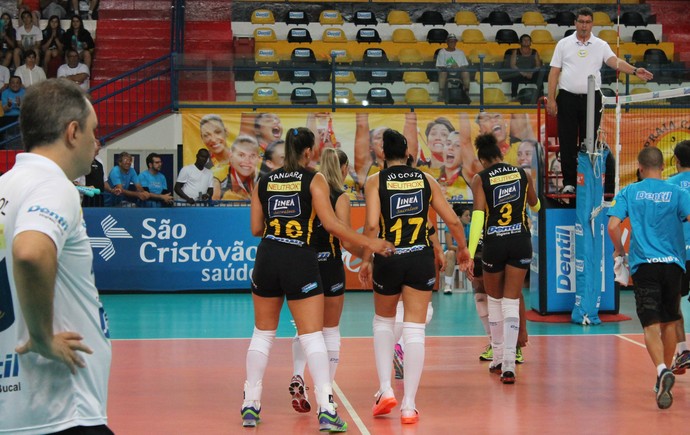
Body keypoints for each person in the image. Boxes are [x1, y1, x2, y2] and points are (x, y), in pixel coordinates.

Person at [242, 127, 394, 431]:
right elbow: (332, 226)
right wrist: (371, 244)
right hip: (299, 257)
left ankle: (250, 403)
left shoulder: (264, 181)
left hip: (268, 255)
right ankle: (326, 408)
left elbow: (256, 228)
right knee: (313, 336)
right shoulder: (315, 179)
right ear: (310, 152)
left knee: (262, 334)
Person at [0, 78, 112, 434]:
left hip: (18, 409)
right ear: (72, 131)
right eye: (94, 132)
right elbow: (31, 252)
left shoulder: (6, 185)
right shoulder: (53, 185)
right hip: (63, 408)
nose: (97, 143)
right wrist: (43, 336)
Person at [358, 128, 471, 424]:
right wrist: (463, 250)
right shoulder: (426, 179)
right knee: (415, 329)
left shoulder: (374, 181)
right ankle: (409, 405)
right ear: (409, 154)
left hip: (389, 256)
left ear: (381, 153)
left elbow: (371, 226)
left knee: (383, 321)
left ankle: (385, 390)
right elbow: (452, 220)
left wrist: (367, 259)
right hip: (420, 257)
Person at [607, 146, 690, 409]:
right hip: (673, 265)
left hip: (645, 266)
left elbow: (612, 225)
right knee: (669, 322)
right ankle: (660, 382)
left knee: (650, 325)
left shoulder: (630, 192)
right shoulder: (677, 192)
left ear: (640, 169)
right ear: (664, 166)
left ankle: (662, 370)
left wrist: (619, 251)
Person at [546, 7, 653, 194]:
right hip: (567, 98)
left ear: (592, 24)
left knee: (590, 142)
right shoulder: (563, 44)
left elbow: (614, 61)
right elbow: (554, 72)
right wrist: (551, 99)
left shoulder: (600, 45)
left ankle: (587, 181)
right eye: (580, 21)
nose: (584, 26)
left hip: (591, 98)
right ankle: (570, 182)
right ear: (575, 23)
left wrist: (635, 70)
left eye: (587, 22)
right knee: (567, 141)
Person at [288, 147, 360, 414]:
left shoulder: (309, 189)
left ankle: (298, 374)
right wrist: (370, 255)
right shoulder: (340, 197)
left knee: (306, 329)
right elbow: (346, 239)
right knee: (329, 330)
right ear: (343, 168)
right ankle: (325, 390)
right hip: (329, 265)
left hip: (304, 263)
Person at [468, 133, 538, 384]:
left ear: (482, 159)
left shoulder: (481, 178)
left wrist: (469, 250)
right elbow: (535, 204)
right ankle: (509, 363)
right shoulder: (522, 174)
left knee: (495, 301)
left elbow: (477, 216)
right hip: (520, 240)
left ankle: (498, 357)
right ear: (500, 153)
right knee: (512, 301)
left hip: (495, 242)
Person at [666, 141, 690, 375]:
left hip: (678, 254)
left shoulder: (669, 186)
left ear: (676, 160)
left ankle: (683, 350)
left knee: (674, 304)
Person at [213, 134, 259, 201]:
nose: (247, 161)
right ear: (231, 156)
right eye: (241, 155)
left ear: (258, 158)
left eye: (252, 156)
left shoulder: (258, 177)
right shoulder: (218, 176)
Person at [437, 131, 473, 201]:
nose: (451, 147)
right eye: (448, 144)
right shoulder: (435, 180)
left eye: (457, 145)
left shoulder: (468, 176)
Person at [435, 33, 470, 103]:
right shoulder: (442, 52)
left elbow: (465, 65)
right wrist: (449, 68)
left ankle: (467, 94)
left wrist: (458, 67)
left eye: (454, 41)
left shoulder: (460, 52)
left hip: (458, 72)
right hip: (446, 72)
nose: (452, 43)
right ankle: (441, 94)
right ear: (447, 42)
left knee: (466, 73)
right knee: (443, 73)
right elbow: (440, 66)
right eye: (450, 41)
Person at [508, 34, 543, 99]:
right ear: (520, 42)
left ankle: (541, 97)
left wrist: (531, 73)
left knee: (539, 76)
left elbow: (538, 66)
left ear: (530, 42)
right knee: (514, 76)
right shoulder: (516, 51)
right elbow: (513, 65)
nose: (526, 41)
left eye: (528, 40)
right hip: (519, 73)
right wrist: (524, 73)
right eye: (524, 40)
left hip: (531, 73)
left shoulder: (534, 52)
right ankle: (514, 96)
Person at [199, 113, 232, 180]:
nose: (213, 140)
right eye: (206, 135)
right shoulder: (202, 165)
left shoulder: (242, 159)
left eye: (217, 132)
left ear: (226, 132)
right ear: (202, 138)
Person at [77, 139, 104, 207]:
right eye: (98, 145)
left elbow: (103, 180)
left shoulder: (99, 162)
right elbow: (74, 183)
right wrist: (87, 188)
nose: (100, 147)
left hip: (99, 199)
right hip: (86, 199)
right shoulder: (82, 162)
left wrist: (111, 190)